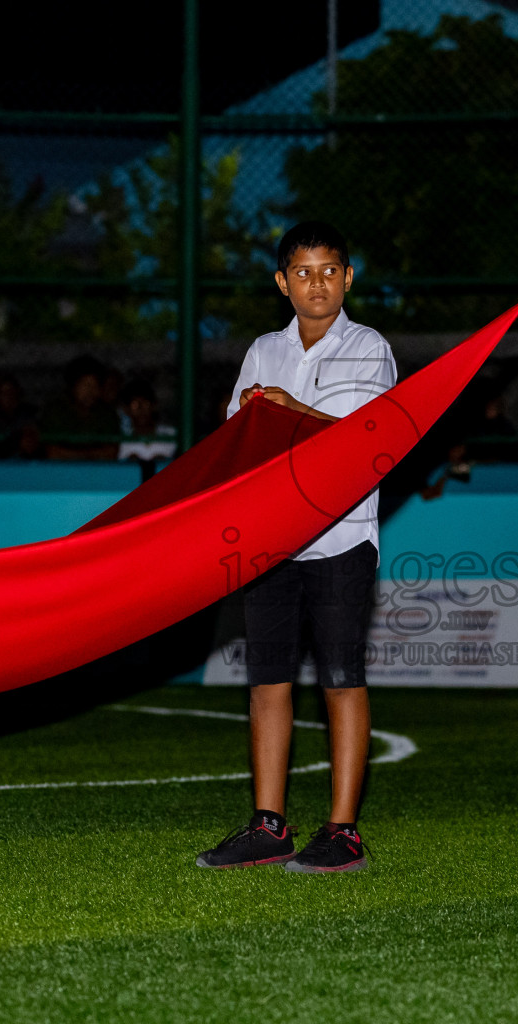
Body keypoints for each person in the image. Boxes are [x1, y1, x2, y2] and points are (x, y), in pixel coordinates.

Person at [195, 221, 395, 875]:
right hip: (270, 541)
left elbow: (369, 441)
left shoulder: (369, 349)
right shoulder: (262, 351)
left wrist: (288, 412)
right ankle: (270, 823)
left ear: (349, 277)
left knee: (340, 679)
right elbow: (236, 441)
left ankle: (343, 830)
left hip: (341, 537)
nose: (318, 283)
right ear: (282, 283)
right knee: (268, 682)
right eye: (303, 272)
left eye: (330, 270)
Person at [42, 355, 123, 460]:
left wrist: (71, 454)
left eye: (95, 386)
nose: (90, 392)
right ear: (72, 386)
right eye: (85, 385)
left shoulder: (107, 413)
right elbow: (52, 453)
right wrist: (91, 455)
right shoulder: (55, 411)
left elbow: (111, 453)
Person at [114, 379, 177, 478]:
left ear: (154, 406)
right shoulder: (120, 439)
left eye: (146, 403)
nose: (141, 409)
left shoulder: (172, 435)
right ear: (126, 409)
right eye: (135, 404)